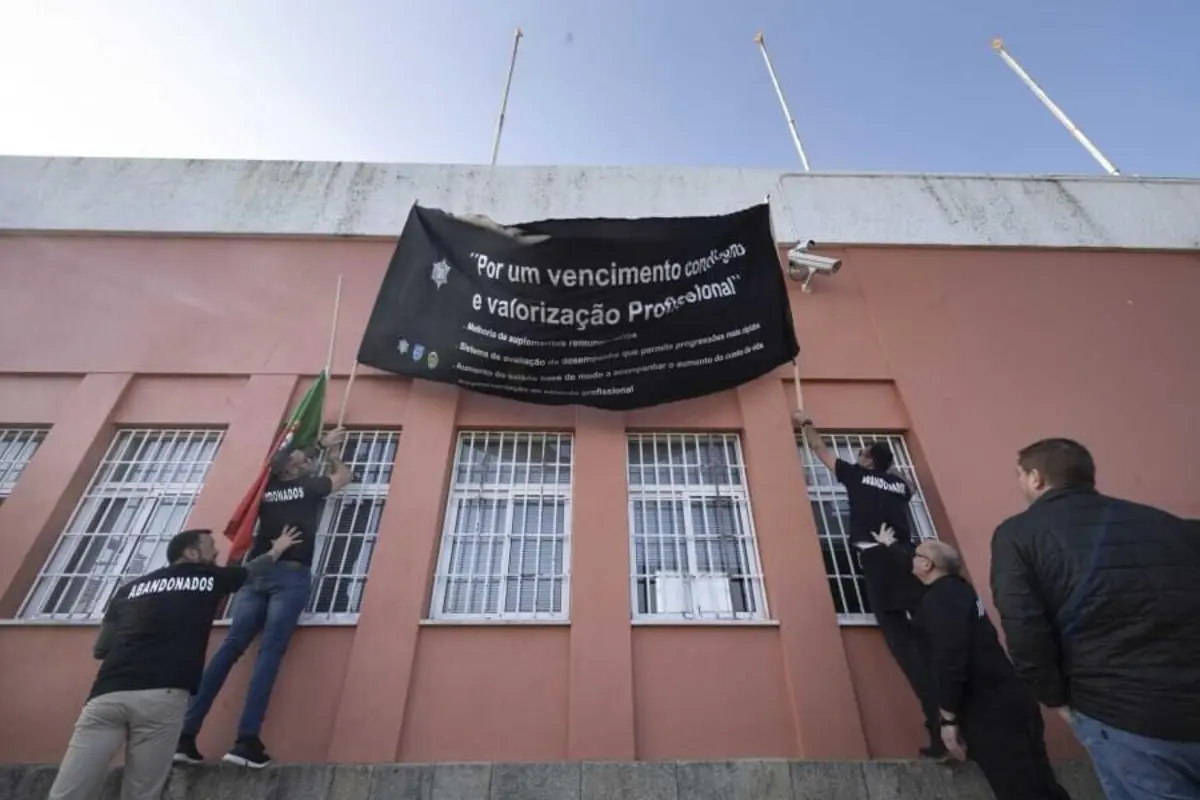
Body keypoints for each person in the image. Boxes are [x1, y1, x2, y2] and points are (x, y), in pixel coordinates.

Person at [991, 437, 1200, 799]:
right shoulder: (1168, 524)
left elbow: (1025, 629)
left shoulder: (1019, 534)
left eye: (1019, 474)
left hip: (1123, 717)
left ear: (1036, 478)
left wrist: (1053, 698)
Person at [48, 527, 302, 800]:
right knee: (142, 792)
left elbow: (101, 649)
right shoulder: (206, 579)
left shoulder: (128, 590)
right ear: (191, 553)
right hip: (161, 696)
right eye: (210, 547)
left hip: (106, 697)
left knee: (70, 790)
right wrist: (277, 550)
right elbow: (248, 572)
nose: (217, 552)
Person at [175, 427, 352, 769]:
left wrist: (319, 449)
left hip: (255, 573)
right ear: (289, 467)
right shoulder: (308, 487)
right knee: (269, 653)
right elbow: (344, 476)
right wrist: (331, 452)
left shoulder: (266, 490)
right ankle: (246, 741)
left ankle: (185, 734)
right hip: (289, 576)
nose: (307, 457)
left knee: (230, 649)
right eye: (301, 455)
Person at [793, 412, 945, 760]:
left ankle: (940, 728)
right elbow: (907, 481)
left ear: (867, 460)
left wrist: (805, 423)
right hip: (910, 560)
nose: (857, 456)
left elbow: (819, 448)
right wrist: (886, 466)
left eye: (861, 452)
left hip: (879, 560)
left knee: (904, 648)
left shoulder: (857, 475)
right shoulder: (898, 486)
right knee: (931, 645)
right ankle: (952, 720)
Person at [892, 531, 1072, 799]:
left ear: (928, 564)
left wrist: (948, 718)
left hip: (988, 709)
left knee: (1018, 789)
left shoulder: (940, 600)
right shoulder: (960, 591)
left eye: (916, 555)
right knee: (1041, 783)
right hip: (1014, 698)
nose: (912, 559)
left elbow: (950, 658)